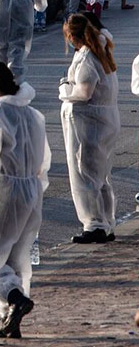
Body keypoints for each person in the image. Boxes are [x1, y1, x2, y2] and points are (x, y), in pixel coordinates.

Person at [0, 62, 50, 339]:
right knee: (18, 256)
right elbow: (44, 159)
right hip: (31, 188)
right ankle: (10, 318)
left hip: (6, 188)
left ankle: (14, 300)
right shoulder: (32, 114)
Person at [60, 13, 120, 244]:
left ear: (73, 36)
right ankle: (106, 222)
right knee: (100, 175)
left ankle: (94, 224)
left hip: (88, 124)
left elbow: (84, 92)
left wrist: (65, 90)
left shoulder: (86, 57)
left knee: (85, 174)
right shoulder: (100, 51)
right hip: (103, 121)